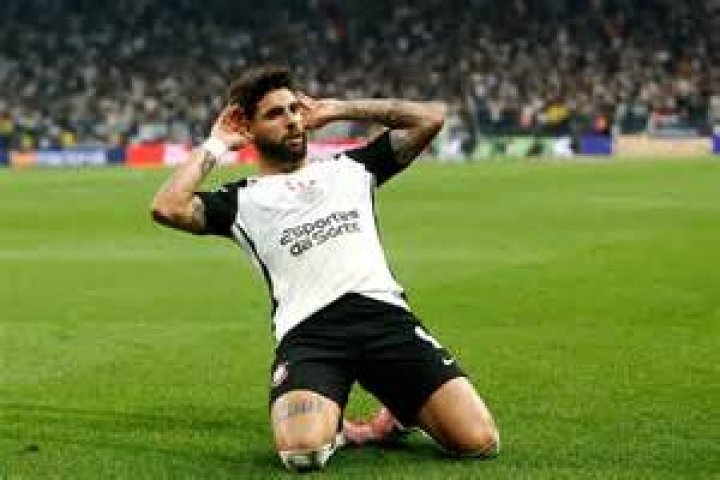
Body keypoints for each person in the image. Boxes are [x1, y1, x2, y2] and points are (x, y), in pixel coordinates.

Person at [150, 65, 500, 471]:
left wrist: (338, 109)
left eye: (293, 109)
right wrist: (217, 143)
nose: (292, 120)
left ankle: (398, 412)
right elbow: (167, 206)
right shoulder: (240, 201)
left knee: (479, 441)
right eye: (275, 114)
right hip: (311, 336)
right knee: (302, 454)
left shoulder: (351, 168)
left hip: (385, 321)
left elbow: (430, 118)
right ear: (248, 128)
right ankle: (342, 428)